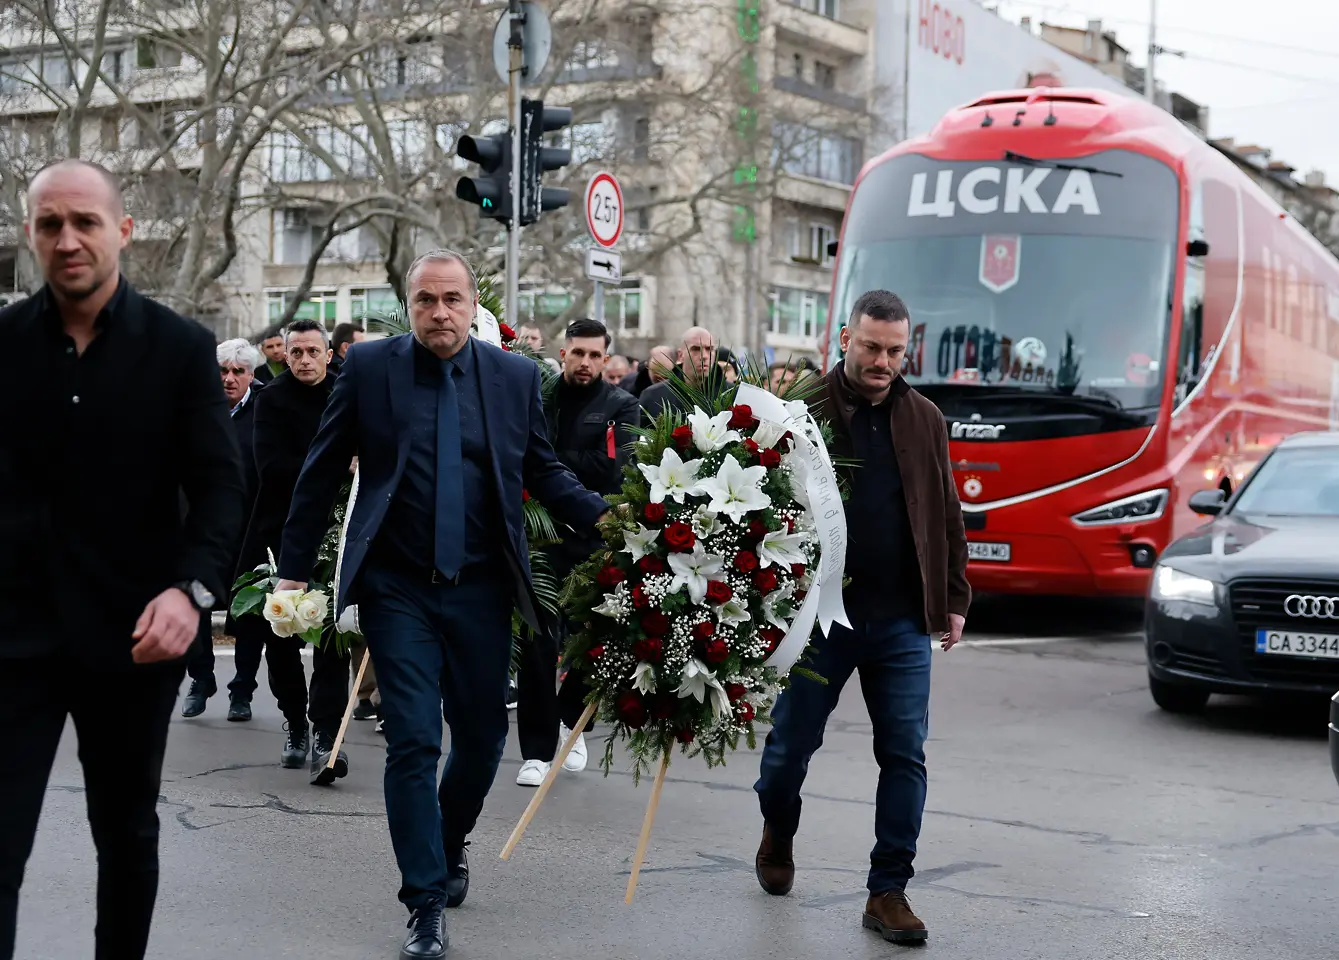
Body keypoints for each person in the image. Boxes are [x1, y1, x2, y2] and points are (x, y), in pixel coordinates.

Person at [273, 249, 611, 959]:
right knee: (414, 741)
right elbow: (322, 467)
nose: (440, 313)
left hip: (484, 587)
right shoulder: (368, 371)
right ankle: (424, 901)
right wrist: (293, 573)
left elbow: (541, 469)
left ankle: (448, 837)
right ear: (410, 304)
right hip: (397, 587)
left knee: (484, 737)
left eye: (452, 299)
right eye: (426, 300)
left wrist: (606, 519)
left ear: (471, 305)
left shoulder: (514, 377)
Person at [0, 159, 243, 960]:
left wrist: (191, 592)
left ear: (122, 231)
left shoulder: (180, 350)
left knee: (126, 837)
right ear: (30, 233)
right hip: (13, 641)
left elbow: (218, 487)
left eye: (85, 222)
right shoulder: (4, 345)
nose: (67, 240)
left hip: (134, 637)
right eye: (49, 224)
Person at [752, 289, 970, 946]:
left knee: (904, 752)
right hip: (818, 621)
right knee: (790, 750)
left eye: (894, 351)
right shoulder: (802, 411)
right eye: (871, 347)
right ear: (845, 337)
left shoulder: (925, 416)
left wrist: (953, 599)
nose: (882, 362)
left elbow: (945, 510)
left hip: (902, 620)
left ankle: (888, 890)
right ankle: (778, 829)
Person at [514, 318, 639, 787]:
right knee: (538, 644)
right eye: (577, 353)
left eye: (594, 355)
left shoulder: (621, 406)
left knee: (592, 643)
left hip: (595, 541)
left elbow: (614, 470)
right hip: (540, 539)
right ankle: (536, 752)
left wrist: (548, 462)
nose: (585, 362)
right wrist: (556, 464)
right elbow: (522, 455)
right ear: (562, 353)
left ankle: (573, 721)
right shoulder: (539, 397)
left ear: (606, 359)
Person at [234, 318, 352, 783]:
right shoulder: (272, 398)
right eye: (295, 352)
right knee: (280, 634)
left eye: (312, 351)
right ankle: (296, 723)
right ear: (284, 354)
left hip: (337, 528)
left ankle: (326, 733)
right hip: (278, 531)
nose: (303, 360)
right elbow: (273, 467)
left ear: (328, 354)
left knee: (332, 638)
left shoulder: (347, 392)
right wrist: (337, 465)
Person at [182, 338, 266, 720]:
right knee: (193, 601)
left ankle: (242, 691)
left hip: (251, 528)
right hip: (202, 528)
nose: (230, 379)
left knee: (247, 610)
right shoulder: (195, 409)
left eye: (238, 372)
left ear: (251, 374)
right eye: (223, 371)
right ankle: (201, 678)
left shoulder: (266, 409)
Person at [638, 326, 726, 422]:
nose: (704, 356)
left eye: (709, 349)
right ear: (681, 355)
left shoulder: (732, 394)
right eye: (696, 349)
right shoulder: (654, 396)